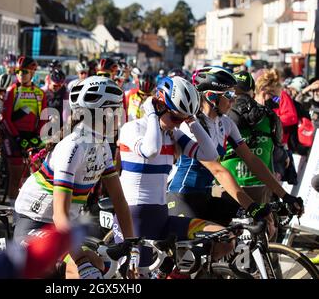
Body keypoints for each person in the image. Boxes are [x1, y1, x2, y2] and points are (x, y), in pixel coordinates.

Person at [14, 76, 136, 279]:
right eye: (115, 111)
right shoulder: (73, 147)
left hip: (59, 226)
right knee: (81, 270)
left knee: (97, 263)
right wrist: (80, 262)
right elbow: (59, 215)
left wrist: (132, 246)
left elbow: (119, 200)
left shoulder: (102, 145)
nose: (120, 117)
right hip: (33, 222)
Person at [117, 76, 236, 278]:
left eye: (182, 119)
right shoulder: (133, 128)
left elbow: (210, 154)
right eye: (175, 117)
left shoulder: (172, 134)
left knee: (225, 239)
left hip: (162, 218)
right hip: (133, 220)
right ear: (160, 105)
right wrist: (152, 114)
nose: (177, 123)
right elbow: (151, 150)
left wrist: (192, 120)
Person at [167, 66, 304, 226]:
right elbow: (217, 170)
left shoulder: (226, 123)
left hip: (207, 195)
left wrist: (284, 195)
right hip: (183, 196)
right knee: (212, 241)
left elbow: (251, 160)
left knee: (232, 241)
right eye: (230, 95)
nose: (234, 100)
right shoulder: (192, 125)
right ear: (211, 97)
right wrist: (251, 206)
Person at [221, 71, 285, 209]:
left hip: (226, 185)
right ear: (254, 92)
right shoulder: (270, 117)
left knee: (225, 228)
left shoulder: (221, 116)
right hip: (261, 186)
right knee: (266, 224)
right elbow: (277, 151)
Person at [2, 56, 48, 206]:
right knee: (15, 176)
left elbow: (43, 118)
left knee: (35, 176)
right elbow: (6, 118)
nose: (21, 75)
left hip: (32, 137)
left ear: (33, 73)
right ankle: (12, 213)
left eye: (25, 72)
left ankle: (28, 207)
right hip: (14, 136)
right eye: (18, 72)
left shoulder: (40, 94)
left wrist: (37, 136)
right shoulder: (12, 91)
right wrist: (16, 137)